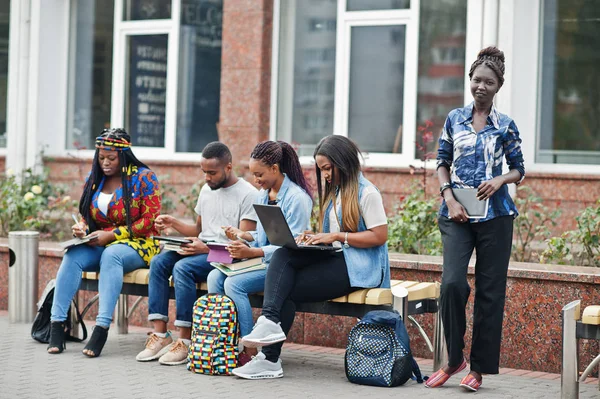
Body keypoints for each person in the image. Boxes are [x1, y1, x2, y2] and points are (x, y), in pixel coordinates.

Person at [231, 135, 391, 379]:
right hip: (338, 258)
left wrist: (337, 236)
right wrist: (314, 237)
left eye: (327, 168)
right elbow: (332, 237)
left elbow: (379, 236)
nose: (325, 175)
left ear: (344, 162)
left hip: (359, 267)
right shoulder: (337, 192)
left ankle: (269, 356)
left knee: (283, 287)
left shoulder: (367, 193)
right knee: (285, 252)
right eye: (321, 169)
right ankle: (269, 329)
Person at [425, 47, 525, 392]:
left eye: (489, 82)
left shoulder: (505, 125)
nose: (481, 86)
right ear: (470, 81)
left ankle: (478, 370)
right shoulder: (454, 119)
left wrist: (500, 180)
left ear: (498, 86)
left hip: (496, 216)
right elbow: (441, 162)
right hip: (457, 213)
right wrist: (448, 197)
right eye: (477, 80)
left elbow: (519, 169)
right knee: (452, 284)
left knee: (490, 293)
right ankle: (454, 359)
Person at [136, 142, 258, 365]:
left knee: (183, 268)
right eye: (204, 172)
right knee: (159, 262)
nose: (207, 178)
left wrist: (205, 248)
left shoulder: (248, 194)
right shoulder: (206, 190)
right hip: (202, 248)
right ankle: (161, 334)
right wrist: (173, 223)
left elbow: (243, 245)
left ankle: (185, 340)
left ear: (228, 167)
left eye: (212, 173)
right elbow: (198, 230)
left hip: (227, 256)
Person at [47, 128, 161, 357]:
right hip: (99, 242)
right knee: (72, 257)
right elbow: (88, 216)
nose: (105, 163)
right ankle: (56, 326)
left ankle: (101, 328)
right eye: (101, 158)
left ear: (124, 154)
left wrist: (113, 235)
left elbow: (150, 222)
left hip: (137, 245)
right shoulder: (95, 178)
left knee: (112, 255)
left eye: (111, 158)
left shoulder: (144, 177)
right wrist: (83, 228)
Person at [207, 140, 313, 366]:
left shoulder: (297, 199)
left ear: (275, 169)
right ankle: (225, 341)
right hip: (264, 262)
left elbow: (291, 246)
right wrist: (242, 235)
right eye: (253, 175)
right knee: (214, 276)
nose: (255, 181)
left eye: (259, 174)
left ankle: (251, 348)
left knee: (234, 284)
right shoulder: (264, 195)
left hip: (284, 268)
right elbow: (265, 237)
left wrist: (251, 251)